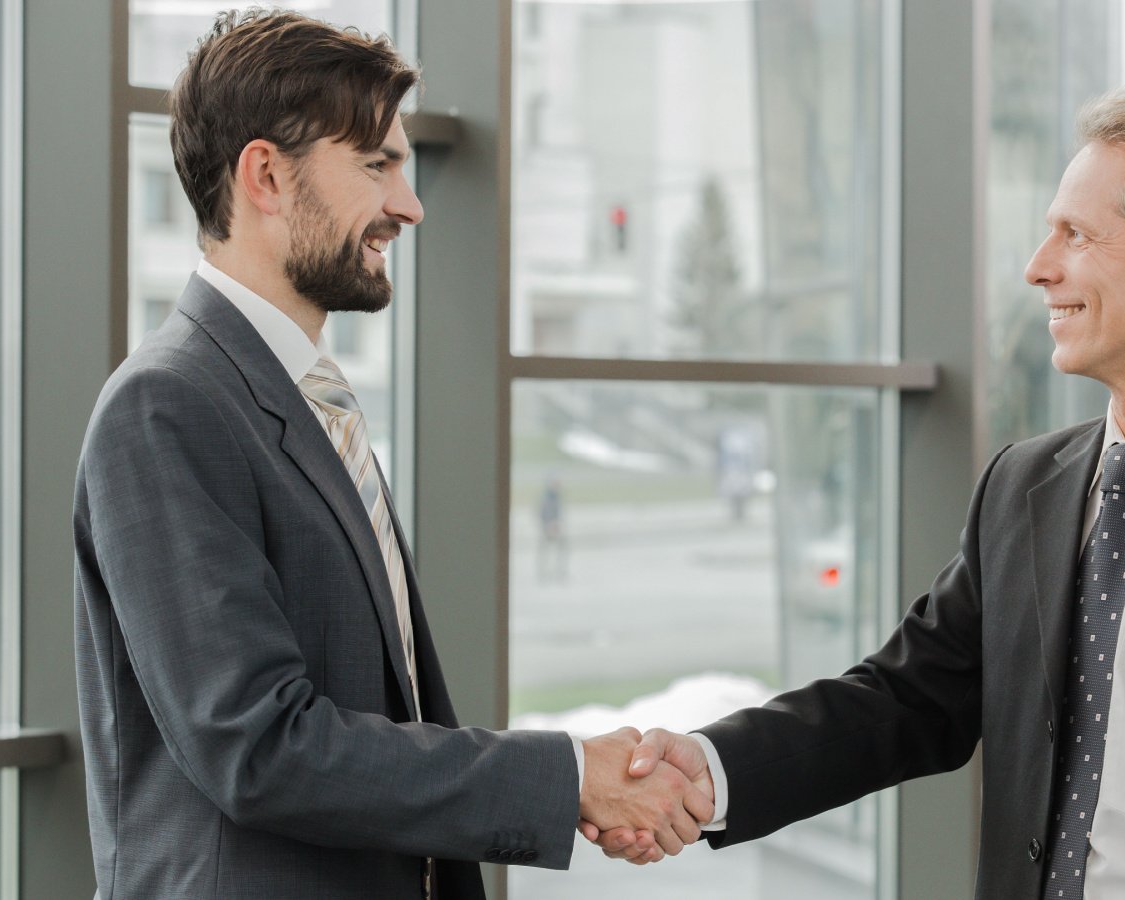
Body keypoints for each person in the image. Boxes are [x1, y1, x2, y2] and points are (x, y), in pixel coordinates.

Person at [588, 89, 1125, 898]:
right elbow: (906, 700)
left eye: (1076, 235)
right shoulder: (1023, 485)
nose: (1038, 268)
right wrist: (708, 771)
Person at [73, 11, 707, 899]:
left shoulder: (302, 398)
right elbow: (258, 748)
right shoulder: (167, 405)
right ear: (266, 175)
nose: (409, 205)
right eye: (376, 165)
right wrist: (565, 779)